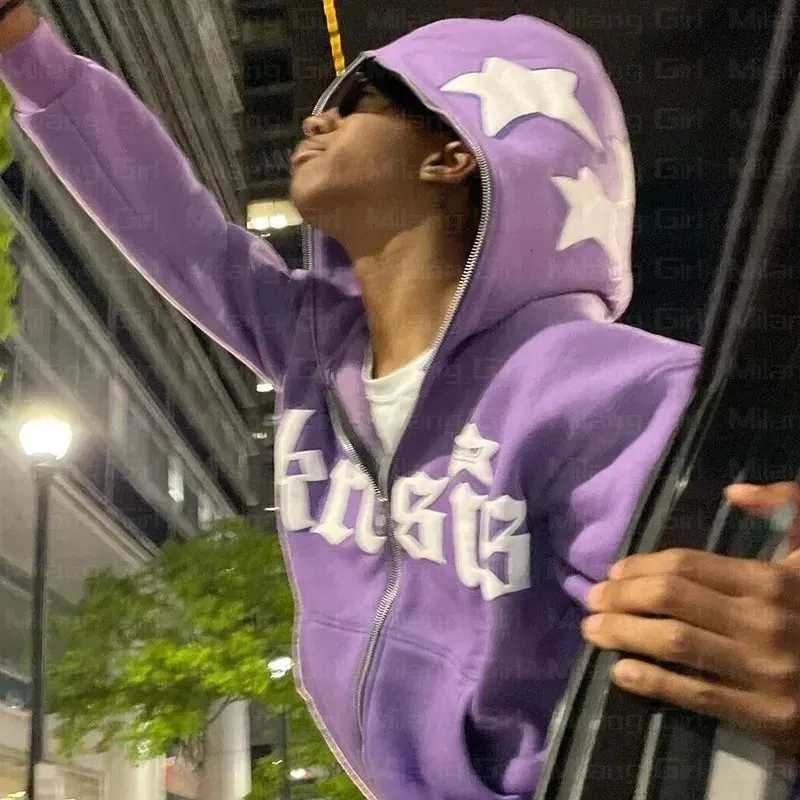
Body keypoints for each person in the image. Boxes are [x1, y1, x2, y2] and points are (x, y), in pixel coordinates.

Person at [1, 4, 798, 799]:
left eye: (361, 105)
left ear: (453, 153)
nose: (317, 119)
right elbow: (168, 222)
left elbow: (753, 576)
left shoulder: (605, 387)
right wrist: (20, 42)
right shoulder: (312, 353)